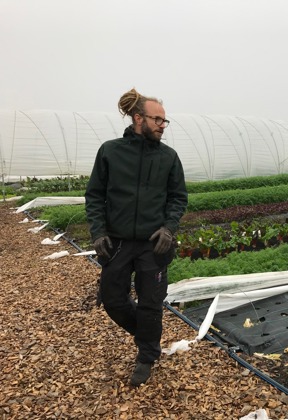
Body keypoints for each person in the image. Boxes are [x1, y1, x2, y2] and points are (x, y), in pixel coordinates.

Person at [85, 88, 188, 386]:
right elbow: (94, 196)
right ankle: (147, 337)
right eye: (158, 120)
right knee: (112, 299)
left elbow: (178, 198)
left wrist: (169, 228)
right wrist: (98, 232)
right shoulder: (110, 151)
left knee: (151, 304)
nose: (162, 126)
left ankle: (146, 355)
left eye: (165, 121)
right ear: (138, 118)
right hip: (116, 243)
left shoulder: (168, 157)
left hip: (153, 245)